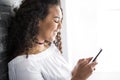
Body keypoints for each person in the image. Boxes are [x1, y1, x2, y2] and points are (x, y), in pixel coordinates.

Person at [6, 0, 98, 80]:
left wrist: (75, 71)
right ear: (37, 20)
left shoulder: (49, 47)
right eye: (56, 21)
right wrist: (79, 77)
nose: (60, 26)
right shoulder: (24, 66)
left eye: (61, 21)